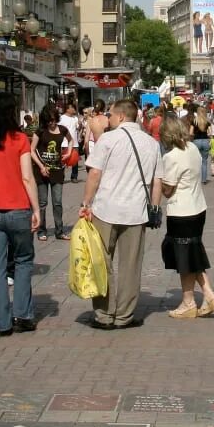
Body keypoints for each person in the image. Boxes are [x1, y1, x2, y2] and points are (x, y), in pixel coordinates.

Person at [78, 100, 162, 330]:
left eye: (111, 115)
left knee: (101, 262)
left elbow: (95, 173)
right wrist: (154, 208)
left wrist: (86, 202)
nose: (109, 118)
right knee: (131, 265)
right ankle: (125, 315)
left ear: (122, 116)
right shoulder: (151, 144)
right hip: (136, 212)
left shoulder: (108, 139)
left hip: (106, 210)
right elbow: (157, 180)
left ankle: (104, 315)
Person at [0, 92, 41, 336]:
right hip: (18, 209)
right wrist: (36, 208)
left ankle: (3, 323)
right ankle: (23, 315)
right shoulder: (19, 139)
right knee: (23, 261)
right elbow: (27, 177)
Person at [158, 114, 214, 319]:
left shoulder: (171, 156)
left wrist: (156, 181)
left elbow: (167, 189)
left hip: (181, 211)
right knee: (194, 253)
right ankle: (209, 295)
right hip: (198, 207)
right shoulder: (192, 148)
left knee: (184, 259)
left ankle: (188, 302)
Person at [30, 104, 69, 241]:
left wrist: (69, 153)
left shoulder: (63, 130)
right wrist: (41, 166)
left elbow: (71, 140)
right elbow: (32, 150)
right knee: (42, 203)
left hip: (57, 170)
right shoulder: (40, 131)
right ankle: (41, 230)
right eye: (49, 121)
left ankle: (59, 230)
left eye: (53, 120)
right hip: (42, 171)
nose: (52, 123)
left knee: (57, 202)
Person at [79, 99, 109, 183]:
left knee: (96, 178)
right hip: (107, 150)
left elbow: (86, 140)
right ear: (104, 108)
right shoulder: (108, 120)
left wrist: (88, 155)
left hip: (97, 150)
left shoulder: (91, 121)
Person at [58, 102, 82, 178]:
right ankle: (61, 176)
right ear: (67, 109)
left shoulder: (75, 118)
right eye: (72, 108)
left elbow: (78, 128)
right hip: (65, 143)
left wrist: (80, 124)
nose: (74, 109)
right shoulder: (61, 118)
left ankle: (74, 176)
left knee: (75, 160)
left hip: (74, 143)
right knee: (63, 160)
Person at [190, 106, 212, 184]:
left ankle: (197, 179)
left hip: (196, 141)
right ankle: (204, 179)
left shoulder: (194, 121)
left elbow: (190, 133)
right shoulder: (207, 121)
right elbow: (210, 133)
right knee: (204, 161)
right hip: (205, 141)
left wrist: (193, 135)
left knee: (196, 161)